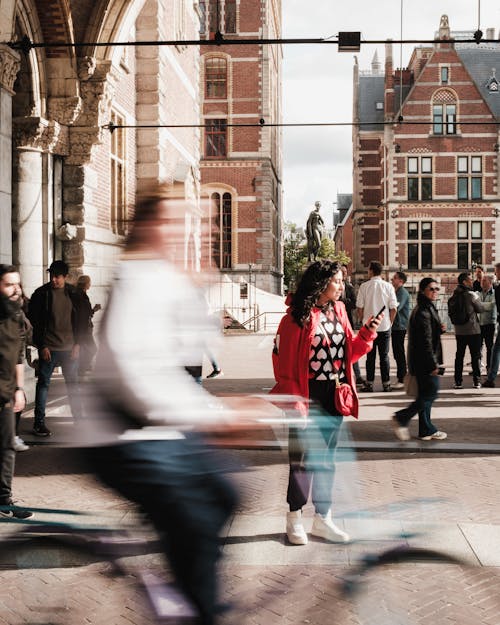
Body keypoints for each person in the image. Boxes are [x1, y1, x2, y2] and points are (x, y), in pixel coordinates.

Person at [88, 186, 238, 625]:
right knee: (193, 517)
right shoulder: (135, 277)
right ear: (153, 226)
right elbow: (137, 376)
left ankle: (187, 589)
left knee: (227, 490)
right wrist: (217, 415)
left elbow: (189, 352)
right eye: (182, 221)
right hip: (122, 437)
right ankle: (197, 610)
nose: (196, 229)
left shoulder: (163, 274)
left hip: (158, 431)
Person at [271, 260, 380, 545]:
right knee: (302, 461)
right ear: (321, 284)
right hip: (305, 395)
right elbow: (283, 366)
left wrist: (366, 333)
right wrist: (295, 403)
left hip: (333, 394)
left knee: (327, 460)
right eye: (337, 281)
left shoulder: (340, 310)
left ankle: (323, 518)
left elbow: (348, 354)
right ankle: (294, 517)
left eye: (342, 280)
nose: (342, 285)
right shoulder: (295, 317)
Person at [28, 260, 86, 436]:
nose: (54, 279)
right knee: (43, 384)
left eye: (57, 276)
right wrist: (42, 345)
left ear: (65, 277)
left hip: (70, 349)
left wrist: (78, 344)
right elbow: (35, 323)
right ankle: (39, 424)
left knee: (73, 385)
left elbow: (82, 321)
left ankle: (79, 420)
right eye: (51, 276)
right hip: (49, 348)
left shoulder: (75, 294)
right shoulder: (41, 294)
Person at [392, 277, 447, 442]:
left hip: (421, 362)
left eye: (437, 289)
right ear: (423, 291)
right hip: (425, 363)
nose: (435, 291)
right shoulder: (423, 311)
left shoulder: (426, 307)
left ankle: (425, 429)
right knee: (429, 394)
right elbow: (425, 342)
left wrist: (439, 329)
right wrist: (433, 365)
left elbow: (428, 334)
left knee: (425, 395)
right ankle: (401, 418)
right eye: (432, 289)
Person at [0, 264, 33, 518]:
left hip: (7, 394)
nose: (15, 289)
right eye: (9, 284)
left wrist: (19, 388)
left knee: (7, 447)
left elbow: (19, 355)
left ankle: (4, 501)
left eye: (17, 284)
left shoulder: (17, 316)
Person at [356, 261, 398, 392]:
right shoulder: (388, 286)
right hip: (384, 325)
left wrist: (363, 320)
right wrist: (389, 323)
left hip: (369, 327)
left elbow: (359, 307)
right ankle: (386, 384)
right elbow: (394, 308)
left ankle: (369, 383)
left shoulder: (364, 286)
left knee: (370, 357)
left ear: (371, 271)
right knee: (384, 356)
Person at [449, 272, 492, 390]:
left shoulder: (453, 296)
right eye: (469, 280)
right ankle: (476, 381)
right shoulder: (471, 295)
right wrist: (489, 304)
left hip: (459, 331)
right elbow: (480, 309)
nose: (472, 281)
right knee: (475, 356)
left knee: (459, 356)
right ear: (464, 282)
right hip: (473, 330)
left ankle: (458, 382)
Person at [340, 264, 364, 386]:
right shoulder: (332, 286)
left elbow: (354, 304)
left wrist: (342, 302)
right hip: (336, 323)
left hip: (348, 322)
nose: (344, 273)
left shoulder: (349, 287)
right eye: (342, 271)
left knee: (352, 349)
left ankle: (358, 375)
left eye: (345, 271)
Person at [75, 275, 101, 378]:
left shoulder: (81, 295)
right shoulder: (81, 296)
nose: (90, 284)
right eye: (89, 282)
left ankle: (81, 369)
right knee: (92, 349)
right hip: (84, 329)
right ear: (86, 284)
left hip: (85, 328)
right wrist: (93, 310)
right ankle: (81, 369)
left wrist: (93, 310)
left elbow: (85, 313)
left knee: (85, 350)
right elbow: (83, 314)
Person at [390, 271, 411, 389]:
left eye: (395, 278)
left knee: (399, 352)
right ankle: (401, 377)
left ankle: (402, 378)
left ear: (401, 281)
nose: (392, 279)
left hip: (399, 326)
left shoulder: (402, 292)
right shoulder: (397, 291)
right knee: (398, 352)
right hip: (397, 326)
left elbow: (397, 307)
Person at [482, 263, 500, 388]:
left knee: (496, 349)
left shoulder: (498, 289)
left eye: (496, 271)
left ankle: (491, 378)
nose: (495, 274)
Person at [478, 275, 496, 376]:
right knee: (478, 347)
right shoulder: (478, 292)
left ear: (490, 283)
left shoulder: (494, 293)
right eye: (482, 280)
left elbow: (491, 306)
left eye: (484, 280)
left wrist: (480, 305)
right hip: (479, 323)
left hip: (489, 324)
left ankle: (489, 368)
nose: (482, 282)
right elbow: (476, 305)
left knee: (490, 347)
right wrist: (484, 305)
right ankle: (478, 367)